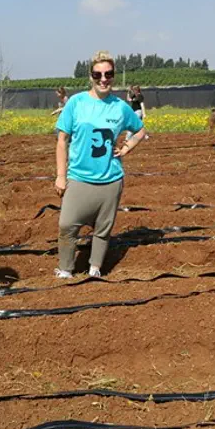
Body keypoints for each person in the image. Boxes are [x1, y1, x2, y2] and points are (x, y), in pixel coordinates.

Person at [54, 51, 146, 279]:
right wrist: (60, 175)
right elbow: (62, 140)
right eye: (98, 74)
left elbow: (140, 130)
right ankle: (66, 269)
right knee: (67, 226)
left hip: (111, 179)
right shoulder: (76, 103)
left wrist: (126, 147)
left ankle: (95, 269)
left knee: (103, 230)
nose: (103, 79)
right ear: (91, 76)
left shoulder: (120, 107)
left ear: (113, 76)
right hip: (79, 177)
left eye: (108, 74)